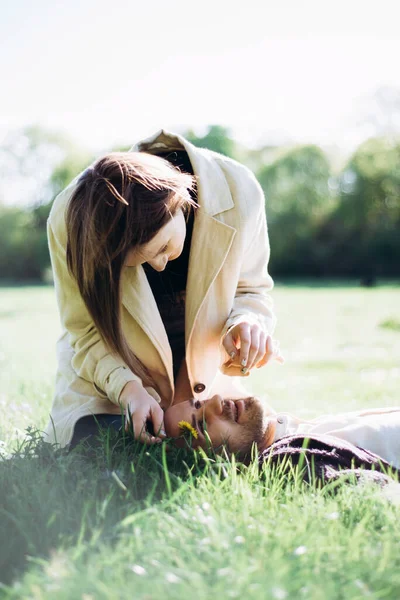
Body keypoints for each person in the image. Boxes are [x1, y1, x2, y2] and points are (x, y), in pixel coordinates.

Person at [44, 129, 283, 449]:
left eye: (163, 247)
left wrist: (246, 322)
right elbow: (86, 332)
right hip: (110, 379)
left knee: (224, 448)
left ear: (178, 201)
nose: (158, 265)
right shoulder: (69, 220)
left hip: (203, 387)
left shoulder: (239, 190)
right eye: (136, 263)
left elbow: (251, 291)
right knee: (107, 448)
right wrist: (128, 389)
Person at [163, 395, 400, 469]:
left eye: (198, 403)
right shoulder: (290, 458)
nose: (216, 400)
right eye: (202, 426)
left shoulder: (294, 433)